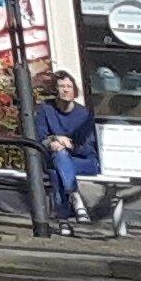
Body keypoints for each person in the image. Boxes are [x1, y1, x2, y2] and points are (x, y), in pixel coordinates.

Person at [33, 67, 104, 228]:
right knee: (58, 161)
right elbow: (40, 137)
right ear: (55, 90)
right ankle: (75, 198)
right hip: (58, 158)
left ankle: (64, 220)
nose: (66, 90)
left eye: (69, 86)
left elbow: (88, 149)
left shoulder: (84, 114)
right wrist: (54, 139)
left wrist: (69, 145)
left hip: (85, 162)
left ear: (74, 90)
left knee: (57, 166)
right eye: (62, 87)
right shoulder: (46, 109)